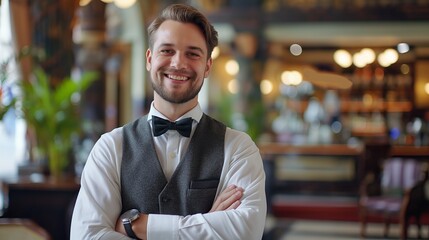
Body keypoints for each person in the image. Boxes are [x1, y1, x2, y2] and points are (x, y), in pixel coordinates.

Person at [70, 3, 266, 240]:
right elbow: (87, 236)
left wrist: (140, 227)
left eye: (192, 53)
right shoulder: (110, 148)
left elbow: (245, 233)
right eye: (167, 51)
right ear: (149, 59)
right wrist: (207, 224)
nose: (178, 63)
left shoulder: (238, 148)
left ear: (207, 66)